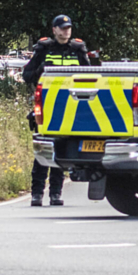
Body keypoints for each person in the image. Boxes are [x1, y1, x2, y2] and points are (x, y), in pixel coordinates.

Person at [23, 14, 89, 207]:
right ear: (54, 30)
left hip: (70, 108)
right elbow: (27, 75)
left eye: (68, 28)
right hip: (46, 107)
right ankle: (36, 194)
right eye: (61, 28)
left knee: (60, 151)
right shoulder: (44, 49)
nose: (65, 31)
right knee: (43, 150)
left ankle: (55, 194)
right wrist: (39, 71)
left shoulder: (77, 49)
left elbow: (91, 75)